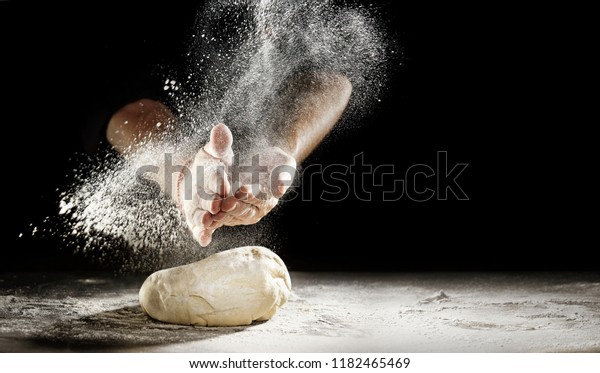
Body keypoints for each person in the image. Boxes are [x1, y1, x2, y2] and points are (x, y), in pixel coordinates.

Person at [105, 72, 352, 247]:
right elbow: (125, 108)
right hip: (120, 272)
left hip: (310, 248)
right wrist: (182, 174)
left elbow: (332, 79)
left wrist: (282, 146)